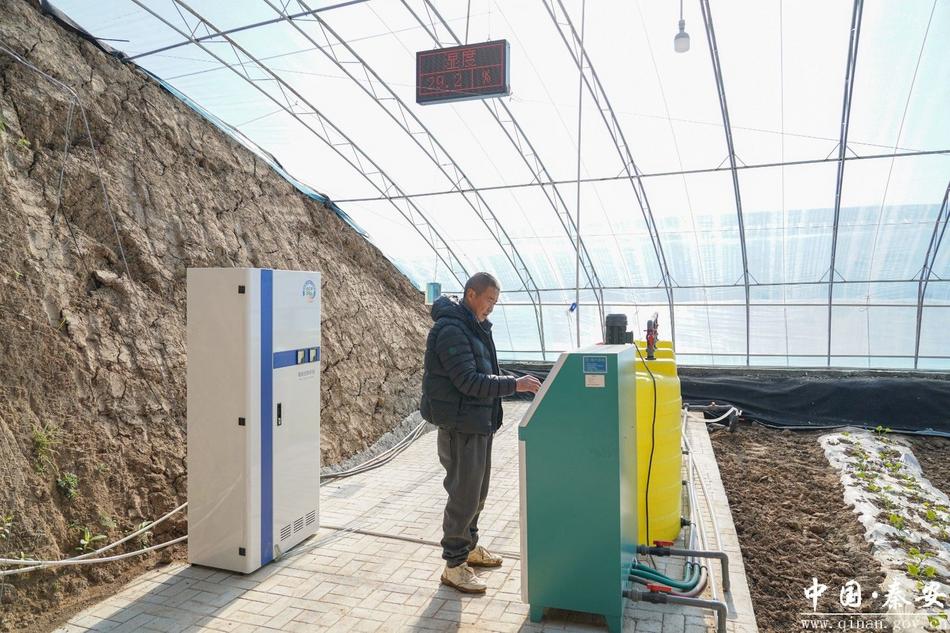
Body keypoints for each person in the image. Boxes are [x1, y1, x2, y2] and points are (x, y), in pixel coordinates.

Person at [421, 272, 542, 594]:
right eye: (489, 300)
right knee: (463, 496)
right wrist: (514, 385)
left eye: (495, 302)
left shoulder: (473, 326)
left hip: (478, 423)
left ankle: (469, 547)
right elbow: (468, 381)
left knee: (478, 493)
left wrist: (511, 382)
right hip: (460, 426)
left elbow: (484, 371)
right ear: (471, 294)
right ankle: (454, 566)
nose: (491, 307)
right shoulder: (452, 330)